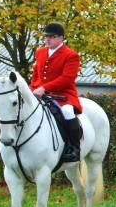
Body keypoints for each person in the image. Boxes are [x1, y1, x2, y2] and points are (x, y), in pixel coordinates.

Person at [29, 22, 83, 162]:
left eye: (51, 37)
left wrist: (44, 88)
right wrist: (32, 90)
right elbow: (36, 74)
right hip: (40, 93)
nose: (47, 39)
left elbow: (66, 79)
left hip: (63, 95)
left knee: (67, 111)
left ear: (61, 38)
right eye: (46, 36)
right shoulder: (40, 52)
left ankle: (74, 148)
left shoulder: (71, 55)